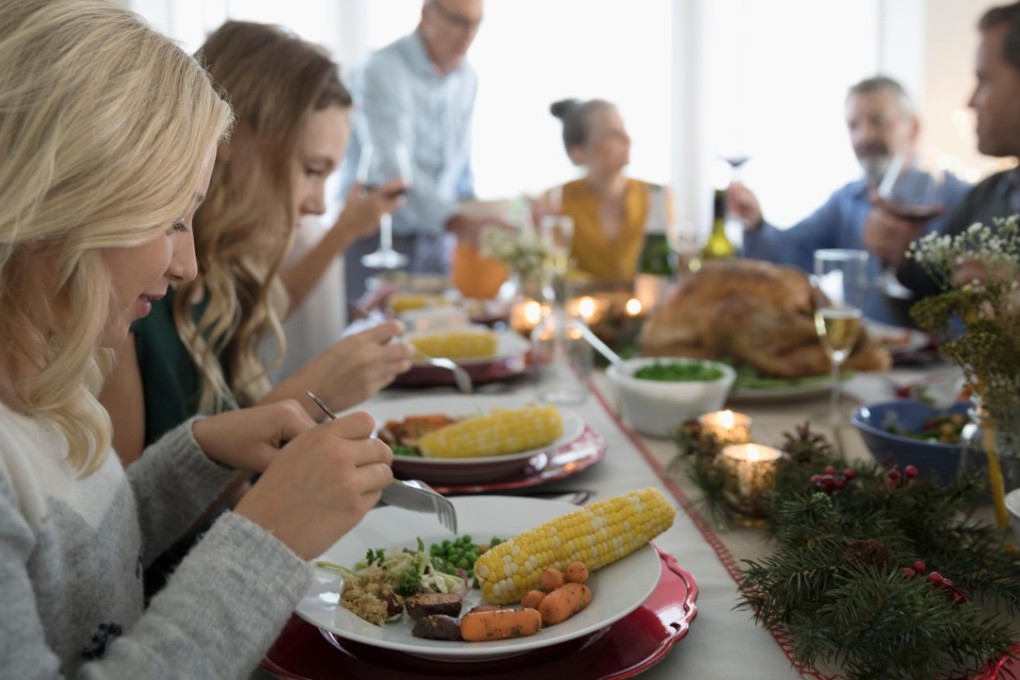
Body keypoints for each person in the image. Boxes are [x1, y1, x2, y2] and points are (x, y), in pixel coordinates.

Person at [0, 1, 393, 676]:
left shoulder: (57, 389)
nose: (187, 266)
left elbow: (94, 561)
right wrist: (266, 539)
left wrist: (196, 456)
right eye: (171, 219)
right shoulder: (102, 347)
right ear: (60, 200)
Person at [102, 21, 415, 466]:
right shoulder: (129, 299)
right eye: (311, 170)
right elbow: (137, 524)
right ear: (232, 135)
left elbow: (263, 307)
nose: (318, 205)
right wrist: (307, 398)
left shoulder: (218, 273)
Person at [731, 76, 970, 326]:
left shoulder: (963, 200)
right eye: (854, 125)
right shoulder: (847, 201)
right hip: (865, 354)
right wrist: (755, 223)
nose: (865, 136)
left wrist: (907, 259)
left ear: (914, 127)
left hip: (940, 361)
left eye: (878, 121)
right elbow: (790, 256)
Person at [338, 0, 511, 308]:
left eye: (476, 24)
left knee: (433, 335)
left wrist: (472, 213)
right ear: (426, 15)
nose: (468, 34)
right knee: (370, 335)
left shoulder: (467, 78)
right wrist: (458, 221)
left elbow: (460, 163)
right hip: (377, 234)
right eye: (458, 21)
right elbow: (391, 168)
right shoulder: (382, 70)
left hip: (435, 238)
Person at [868, 2, 1020, 300]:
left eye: (984, 80)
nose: (971, 101)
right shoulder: (987, 195)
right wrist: (899, 255)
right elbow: (933, 300)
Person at [537, 98, 673, 282]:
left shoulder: (656, 196)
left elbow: (667, 267)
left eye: (624, 130)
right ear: (579, 152)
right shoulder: (555, 201)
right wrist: (537, 237)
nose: (627, 139)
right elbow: (550, 271)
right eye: (612, 134)